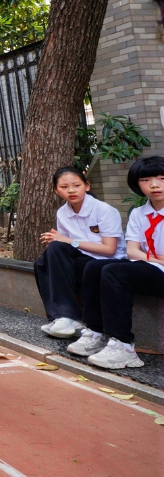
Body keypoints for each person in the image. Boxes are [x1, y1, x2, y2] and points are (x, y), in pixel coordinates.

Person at [81, 156, 164, 370]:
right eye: (145, 180)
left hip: (155, 271)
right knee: (94, 267)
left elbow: (137, 254)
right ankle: (96, 332)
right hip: (152, 268)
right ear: (137, 184)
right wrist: (157, 259)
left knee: (115, 272)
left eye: (162, 178)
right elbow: (132, 252)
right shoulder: (139, 213)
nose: (154, 185)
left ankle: (124, 347)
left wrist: (148, 258)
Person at [33, 167, 123, 340]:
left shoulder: (104, 210)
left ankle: (68, 317)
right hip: (82, 258)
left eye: (76, 185)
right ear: (56, 190)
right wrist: (59, 241)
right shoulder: (62, 212)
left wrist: (68, 241)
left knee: (58, 251)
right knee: (43, 261)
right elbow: (64, 245)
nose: (71, 190)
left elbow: (109, 249)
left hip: (107, 260)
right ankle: (62, 318)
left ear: (86, 186)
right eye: (64, 187)